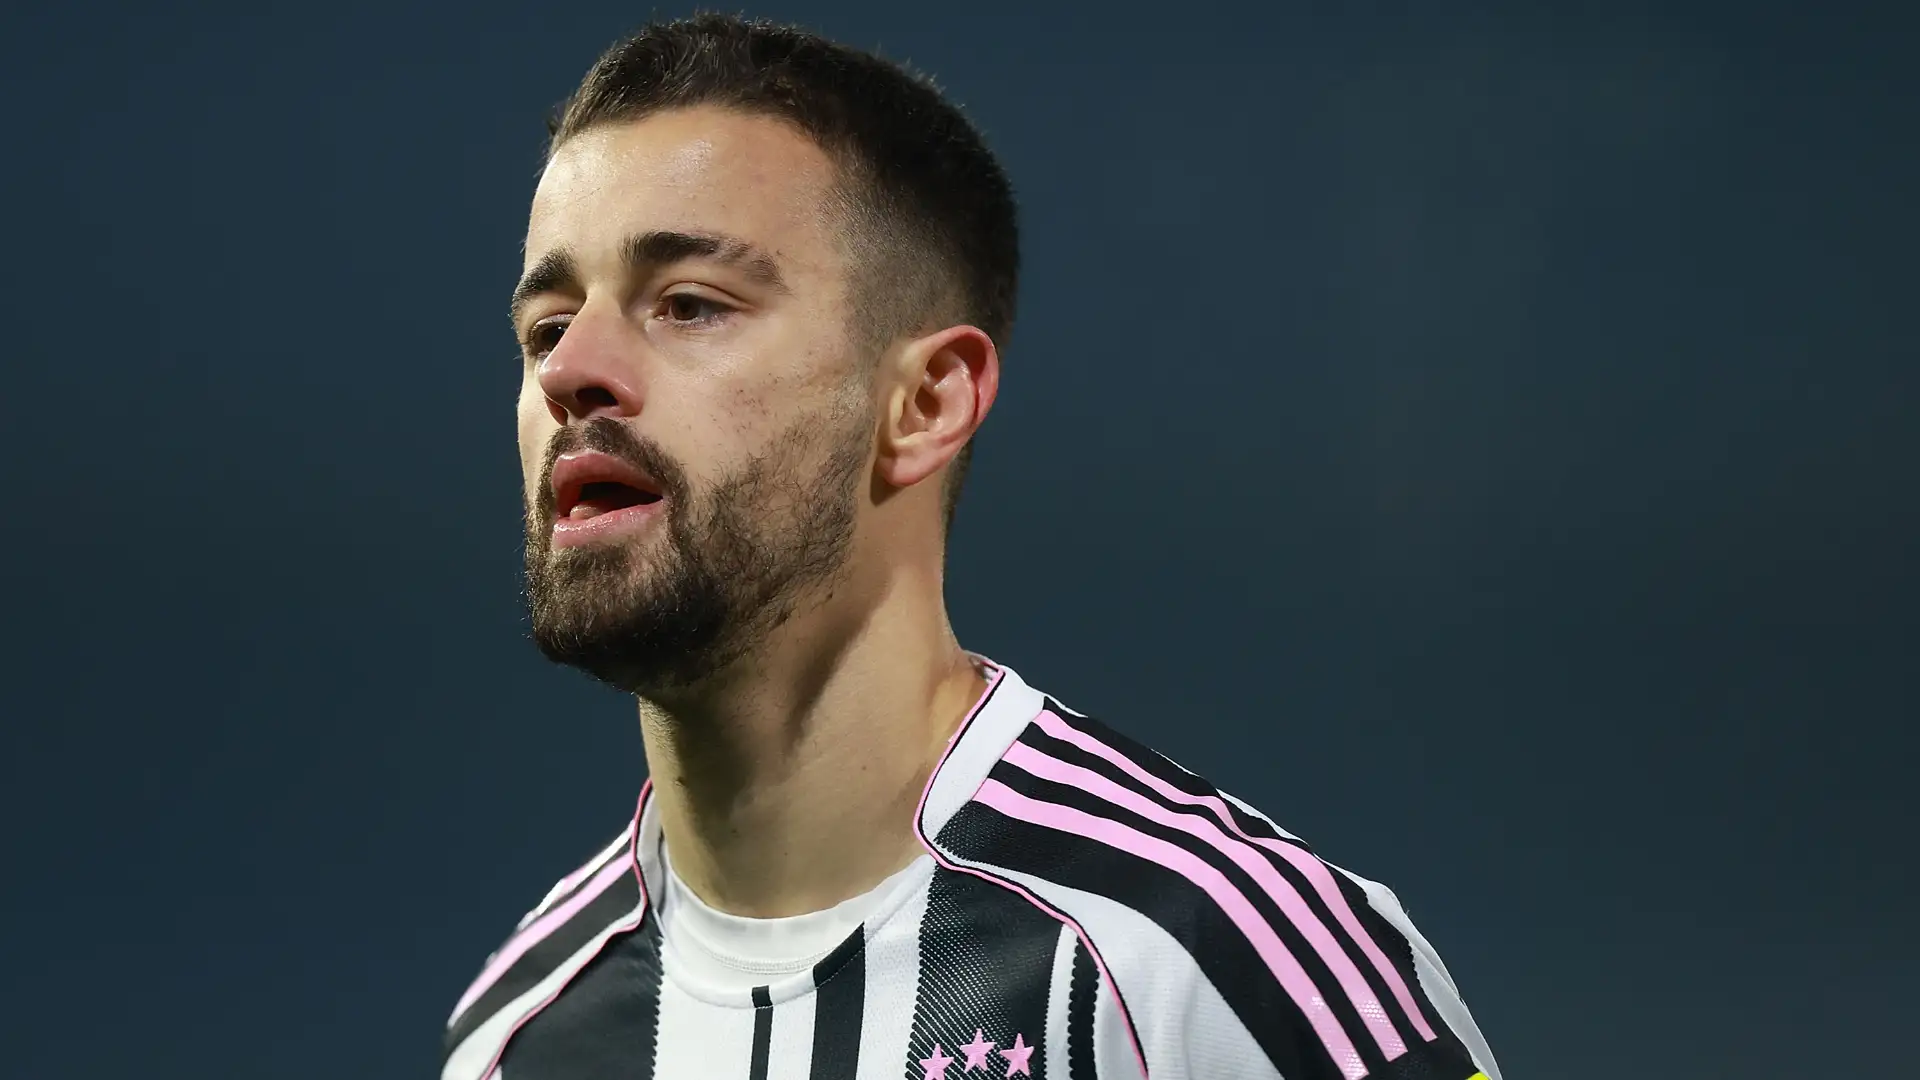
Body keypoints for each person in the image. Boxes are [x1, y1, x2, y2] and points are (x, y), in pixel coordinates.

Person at [443, 14, 1502, 1080]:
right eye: (546, 327)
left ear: (926, 405)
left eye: (688, 305)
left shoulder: (1211, 963)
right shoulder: (517, 1034)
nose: (569, 372)